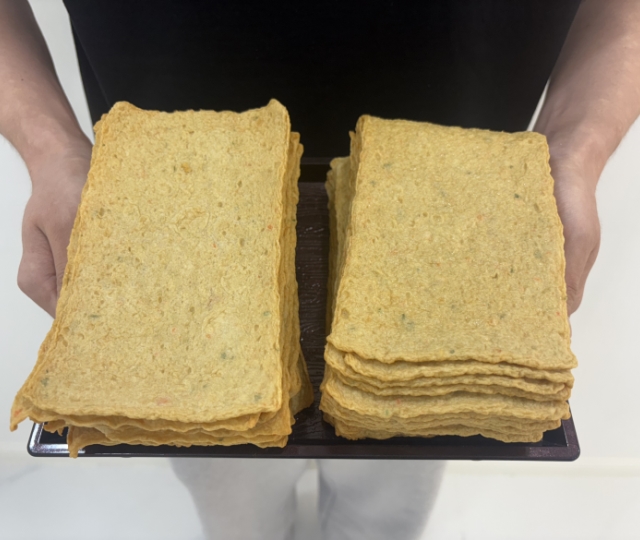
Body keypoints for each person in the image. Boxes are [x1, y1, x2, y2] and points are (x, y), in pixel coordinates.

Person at [1, 1, 639, 539]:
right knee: (232, 492)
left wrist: (574, 145)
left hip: (468, 190)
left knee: (387, 490)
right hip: (157, 192)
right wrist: (50, 145)